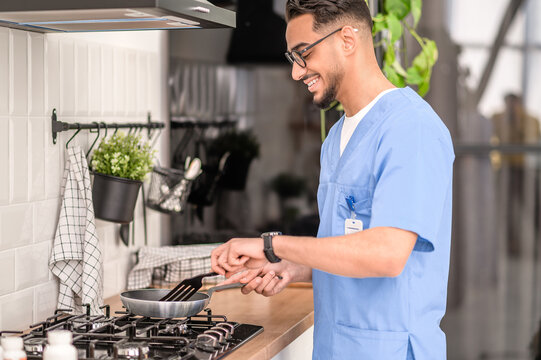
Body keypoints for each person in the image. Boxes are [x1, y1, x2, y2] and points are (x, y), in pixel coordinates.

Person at [210, 1, 455, 359]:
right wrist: (295, 267)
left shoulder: (410, 130)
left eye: (303, 53)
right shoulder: (337, 139)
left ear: (347, 39)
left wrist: (273, 246)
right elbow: (349, 245)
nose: (297, 72)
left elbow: (386, 254)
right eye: (293, 57)